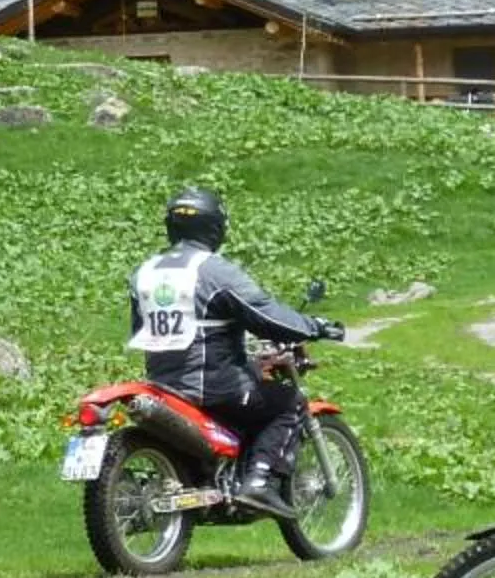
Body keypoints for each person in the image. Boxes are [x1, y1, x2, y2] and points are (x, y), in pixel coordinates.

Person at [128, 186, 340, 516]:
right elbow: (265, 314)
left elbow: (143, 329)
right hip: (215, 388)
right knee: (288, 403)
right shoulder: (213, 270)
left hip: (162, 385)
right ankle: (258, 483)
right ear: (215, 227)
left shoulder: (144, 272)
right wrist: (314, 326)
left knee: (253, 388)